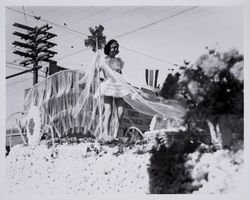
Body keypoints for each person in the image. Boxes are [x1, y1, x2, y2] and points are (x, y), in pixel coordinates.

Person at [100, 39, 125, 140]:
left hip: (118, 86)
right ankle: (106, 134)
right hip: (108, 85)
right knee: (109, 110)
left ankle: (115, 135)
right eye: (114, 47)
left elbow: (120, 74)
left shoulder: (119, 61)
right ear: (109, 48)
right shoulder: (103, 60)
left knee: (121, 111)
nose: (115, 49)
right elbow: (99, 71)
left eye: (117, 47)